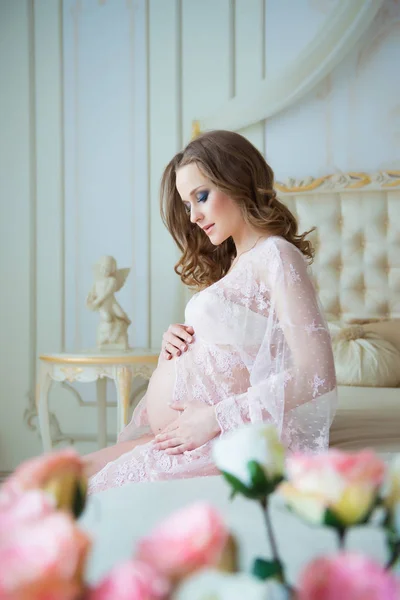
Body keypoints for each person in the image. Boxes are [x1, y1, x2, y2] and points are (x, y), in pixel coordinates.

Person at [85, 130, 337, 494]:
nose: (194, 216)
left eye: (201, 196)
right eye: (188, 204)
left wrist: (216, 418)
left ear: (236, 180)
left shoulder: (277, 255)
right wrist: (175, 346)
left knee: (75, 494)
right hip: (186, 434)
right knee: (66, 474)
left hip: (216, 436)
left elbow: (317, 372)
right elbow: (237, 351)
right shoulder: (236, 262)